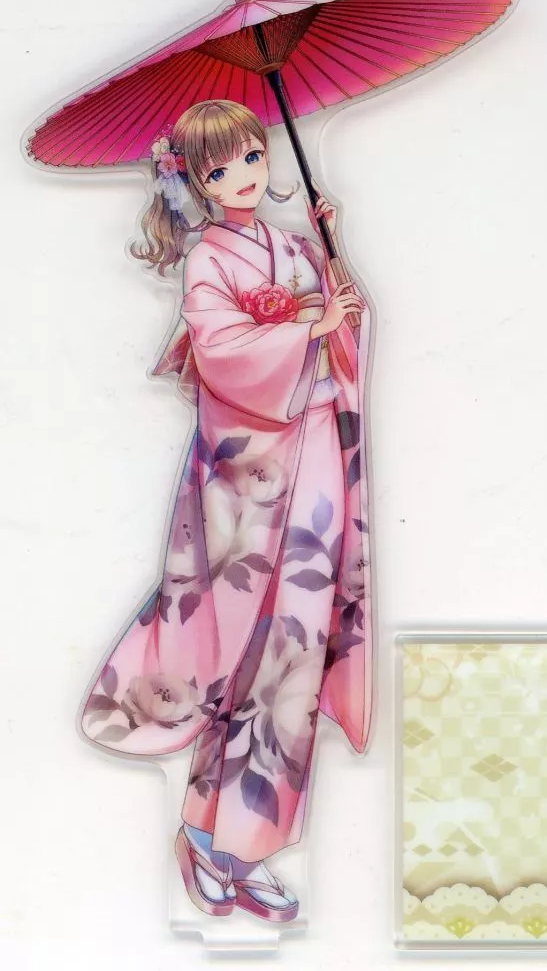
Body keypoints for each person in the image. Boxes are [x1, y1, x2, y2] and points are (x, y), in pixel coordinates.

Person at [80, 99, 373, 922]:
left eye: (250, 156)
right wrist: (309, 325)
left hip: (314, 451)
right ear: (195, 182)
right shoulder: (208, 258)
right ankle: (208, 840)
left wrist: (334, 257)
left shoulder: (293, 246)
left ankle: (240, 846)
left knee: (297, 643)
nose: (242, 176)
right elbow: (219, 351)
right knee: (238, 643)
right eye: (219, 169)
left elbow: (347, 328)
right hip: (248, 476)